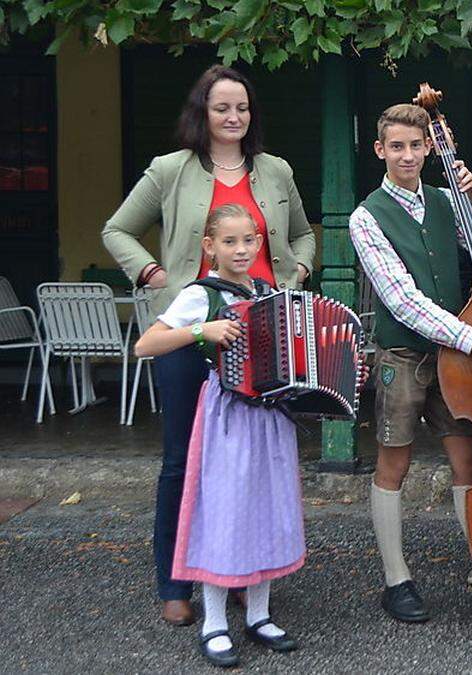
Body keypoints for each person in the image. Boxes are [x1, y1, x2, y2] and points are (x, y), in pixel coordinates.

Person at [102, 64, 315, 626]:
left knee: (249, 464)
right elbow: (116, 229)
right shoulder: (169, 170)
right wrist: (150, 273)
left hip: (261, 334)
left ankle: (242, 575)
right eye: (221, 107)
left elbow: (302, 234)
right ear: (203, 112)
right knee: (181, 460)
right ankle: (175, 582)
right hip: (188, 332)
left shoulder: (275, 171)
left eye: (241, 107)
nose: (233, 117)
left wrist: (295, 277)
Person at [348, 103, 472, 623]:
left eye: (415, 145)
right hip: (404, 353)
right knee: (394, 463)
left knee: (467, 461)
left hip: (452, 353)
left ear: (429, 148)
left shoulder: (448, 199)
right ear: (380, 150)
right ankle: (396, 578)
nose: (406, 154)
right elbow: (400, 301)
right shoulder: (365, 216)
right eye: (395, 146)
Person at [135, 204, 305, 667]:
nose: (241, 249)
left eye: (248, 240)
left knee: (266, 506)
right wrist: (200, 330)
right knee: (224, 510)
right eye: (229, 242)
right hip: (227, 416)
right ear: (209, 247)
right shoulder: (200, 295)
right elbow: (145, 344)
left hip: (269, 418)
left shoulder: (270, 291)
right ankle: (214, 622)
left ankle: (259, 614)